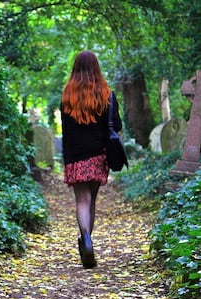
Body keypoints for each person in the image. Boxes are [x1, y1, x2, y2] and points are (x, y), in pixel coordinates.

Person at [61, 51, 122, 269]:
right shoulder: (107, 94)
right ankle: (88, 242)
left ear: (75, 68)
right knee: (92, 200)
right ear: (96, 68)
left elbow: (66, 131)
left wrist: (66, 160)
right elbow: (117, 126)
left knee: (82, 201)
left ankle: (85, 238)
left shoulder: (67, 94)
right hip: (98, 155)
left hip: (75, 156)